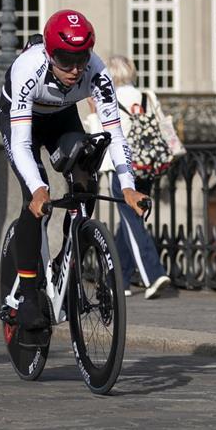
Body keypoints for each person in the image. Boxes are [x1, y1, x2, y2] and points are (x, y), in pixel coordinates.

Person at [0, 9, 149, 348]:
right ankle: (28, 293)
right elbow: (22, 144)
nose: (75, 70)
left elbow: (115, 134)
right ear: (50, 54)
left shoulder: (96, 71)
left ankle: (68, 259)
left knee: (86, 180)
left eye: (80, 59)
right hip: (22, 121)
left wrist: (128, 187)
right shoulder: (27, 69)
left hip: (61, 117)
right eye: (65, 61)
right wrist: (37, 189)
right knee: (37, 198)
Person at [86, 55, 172, 299]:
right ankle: (120, 279)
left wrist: (93, 114)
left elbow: (101, 135)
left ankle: (152, 275)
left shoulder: (109, 97)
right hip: (148, 163)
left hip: (125, 167)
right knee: (130, 218)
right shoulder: (148, 95)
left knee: (132, 221)